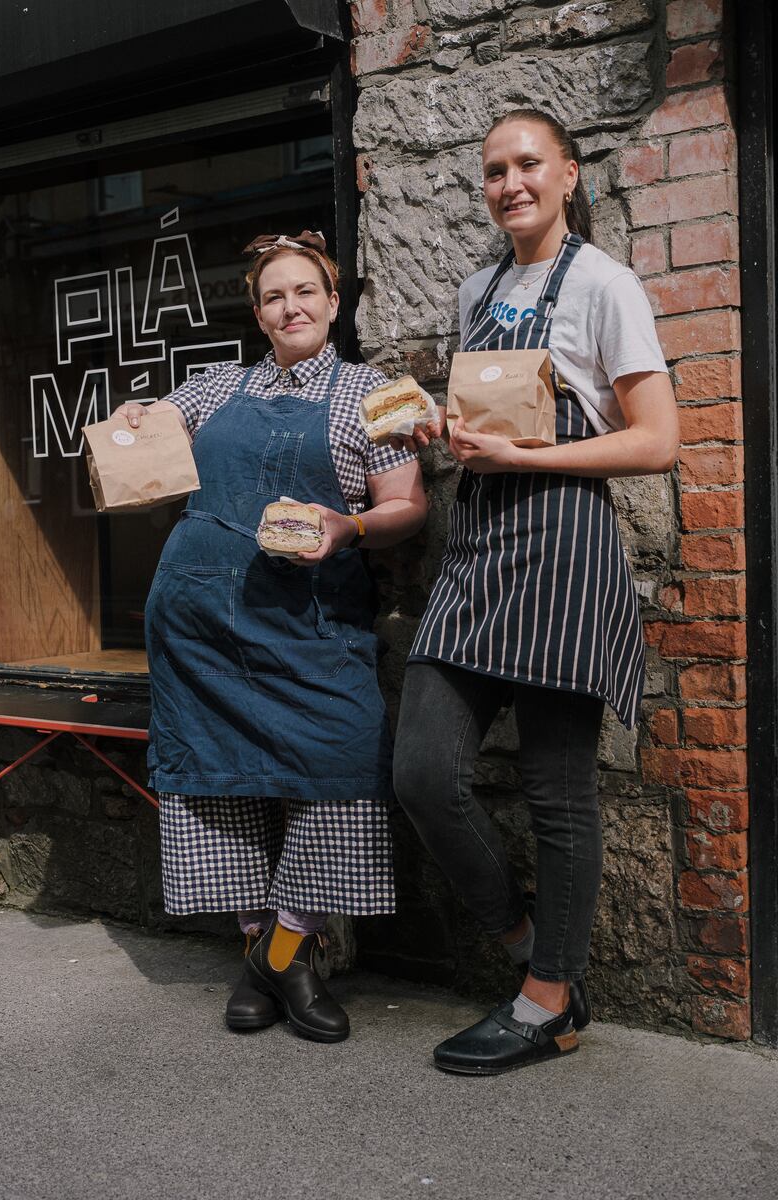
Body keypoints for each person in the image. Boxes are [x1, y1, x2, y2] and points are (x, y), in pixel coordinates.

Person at [391, 110, 679, 1075]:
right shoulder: (478, 288)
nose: (509, 182)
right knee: (424, 773)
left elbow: (657, 440)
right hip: (477, 544)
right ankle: (524, 946)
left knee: (559, 794)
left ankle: (550, 999)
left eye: (526, 165)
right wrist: (445, 432)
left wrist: (532, 452)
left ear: (567, 174)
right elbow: (486, 413)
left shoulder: (605, 283)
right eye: (493, 171)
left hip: (562, 543)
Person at [117, 230, 427, 1044]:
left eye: (305, 293)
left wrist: (348, 522)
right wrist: (132, 415)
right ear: (258, 313)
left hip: (310, 626)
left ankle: (276, 959)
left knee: (344, 765)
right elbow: (149, 428)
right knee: (222, 789)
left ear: (332, 302)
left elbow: (408, 504)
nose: (290, 307)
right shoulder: (215, 386)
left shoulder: (378, 392)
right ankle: (272, 951)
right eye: (273, 296)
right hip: (197, 624)